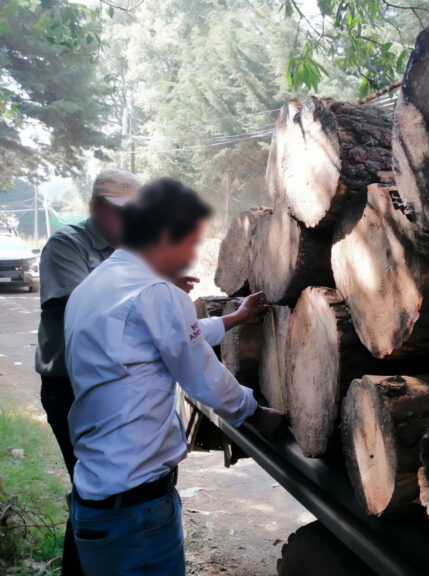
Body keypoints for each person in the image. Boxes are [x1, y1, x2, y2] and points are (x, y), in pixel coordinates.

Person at [64, 178, 286, 576]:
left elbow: (163, 341)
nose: (189, 256)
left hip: (100, 499)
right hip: (136, 513)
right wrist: (254, 412)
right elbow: (204, 377)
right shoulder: (155, 292)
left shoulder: (94, 287)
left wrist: (233, 319)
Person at [35, 168, 141, 576]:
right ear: (96, 208)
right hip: (70, 389)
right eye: (121, 212)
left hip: (113, 387)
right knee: (92, 490)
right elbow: (83, 311)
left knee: (113, 490)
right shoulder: (67, 244)